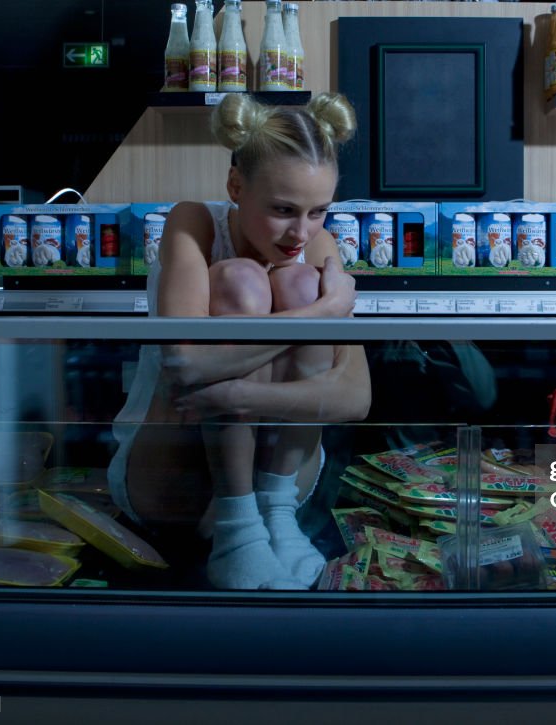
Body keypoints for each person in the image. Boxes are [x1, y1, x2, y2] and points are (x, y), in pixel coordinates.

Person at [108, 92, 371, 591]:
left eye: (319, 212)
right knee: (242, 282)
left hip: (283, 483)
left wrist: (235, 396)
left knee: (295, 281)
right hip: (174, 471)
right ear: (235, 185)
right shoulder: (194, 222)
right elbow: (183, 365)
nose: (301, 231)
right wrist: (323, 312)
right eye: (282, 209)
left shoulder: (318, 245)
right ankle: (235, 516)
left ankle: (268, 512)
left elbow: (355, 399)